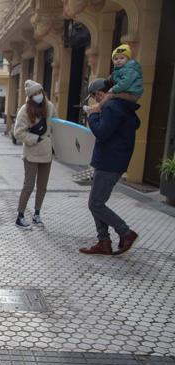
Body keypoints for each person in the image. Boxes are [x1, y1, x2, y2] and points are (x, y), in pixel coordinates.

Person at [80, 78, 140, 255]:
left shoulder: (112, 107)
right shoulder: (120, 106)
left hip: (109, 161)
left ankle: (125, 232)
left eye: (95, 98)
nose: (95, 101)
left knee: (96, 204)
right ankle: (103, 242)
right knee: (96, 202)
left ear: (99, 94)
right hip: (113, 160)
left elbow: (102, 133)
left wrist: (93, 114)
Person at [13, 80, 57, 229]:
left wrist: (56, 148)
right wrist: (35, 139)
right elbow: (18, 132)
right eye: (34, 94)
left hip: (47, 153)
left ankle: (37, 214)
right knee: (28, 185)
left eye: (39, 92)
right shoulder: (25, 110)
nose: (38, 96)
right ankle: (20, 216)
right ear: (30, 97)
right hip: (31, 153)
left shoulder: (50, 107)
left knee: (42, 186)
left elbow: (56, 127)